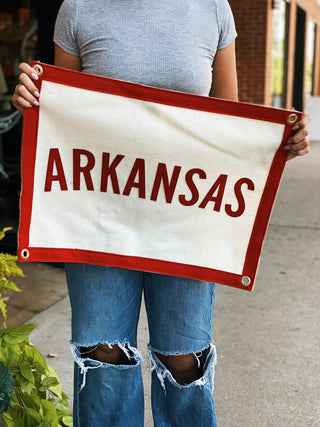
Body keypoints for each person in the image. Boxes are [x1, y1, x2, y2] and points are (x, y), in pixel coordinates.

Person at [12, 1, 310, 426]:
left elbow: (230, 125)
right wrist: (36, 98)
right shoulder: (79, 9)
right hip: (98, 212)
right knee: (104, 355)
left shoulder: (212, 9)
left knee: (184, 361)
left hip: (187, 214)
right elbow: (65, 113)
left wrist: (282, 138)